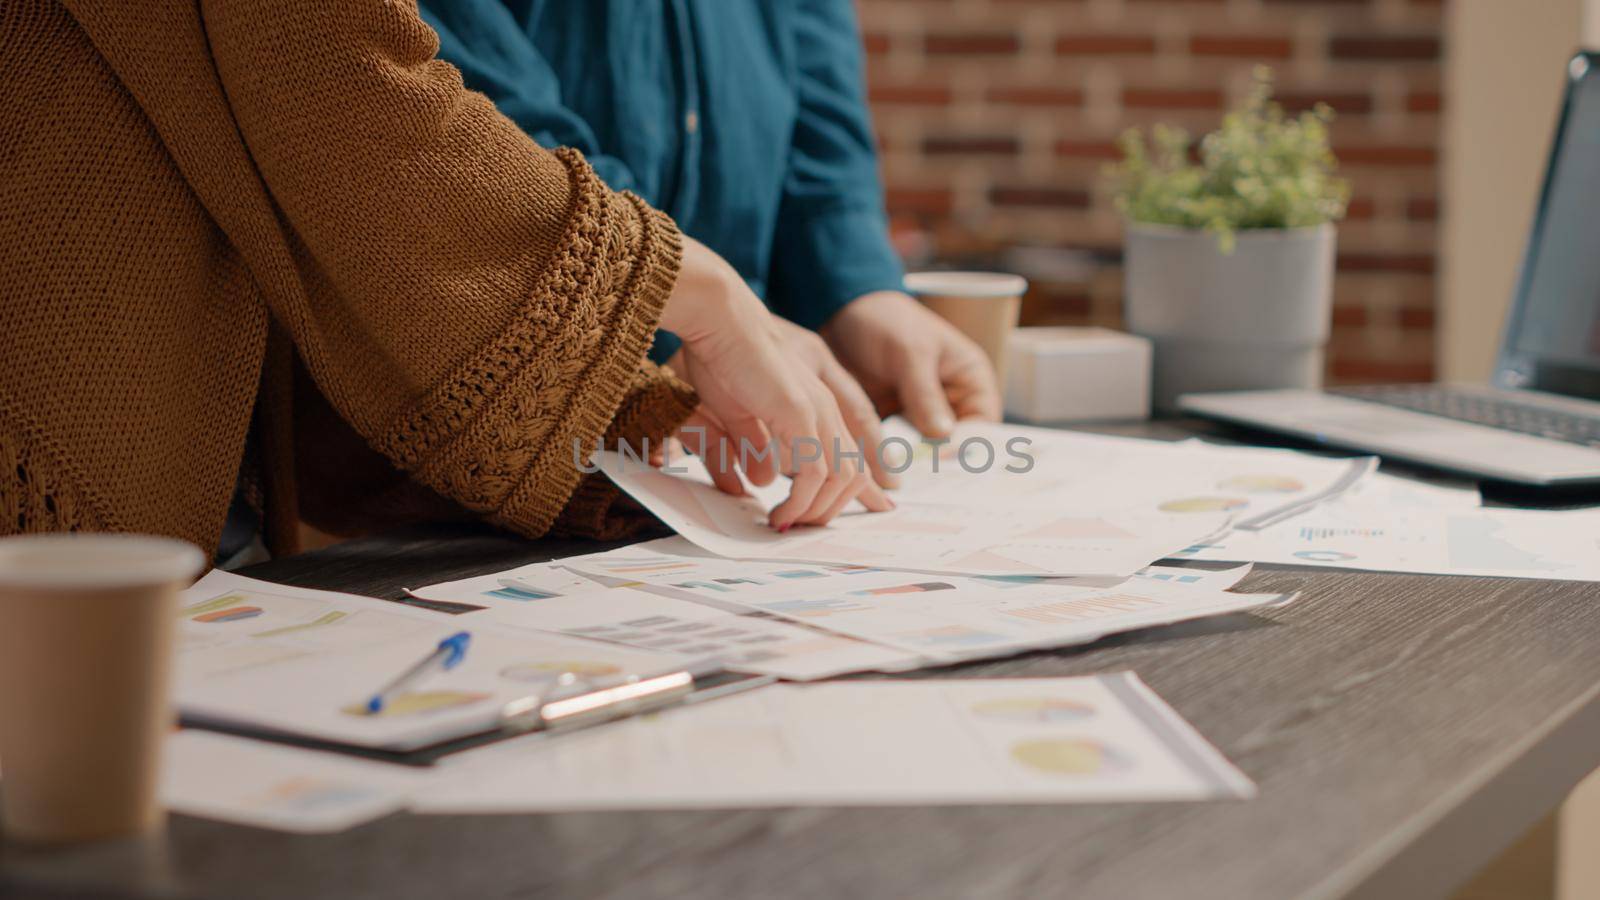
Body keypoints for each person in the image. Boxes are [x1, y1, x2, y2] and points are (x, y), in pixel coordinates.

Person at [0, 0, 888, 560]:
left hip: (184, 376)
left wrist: (634, 389)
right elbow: (337, 71)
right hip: (76, 373)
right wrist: (698, 295)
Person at [420, 0, 1002, 489]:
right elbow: (470, 125)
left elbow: (814, 79)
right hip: (473, 436)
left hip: (739, 421)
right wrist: (685, 321)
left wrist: (857, 288)